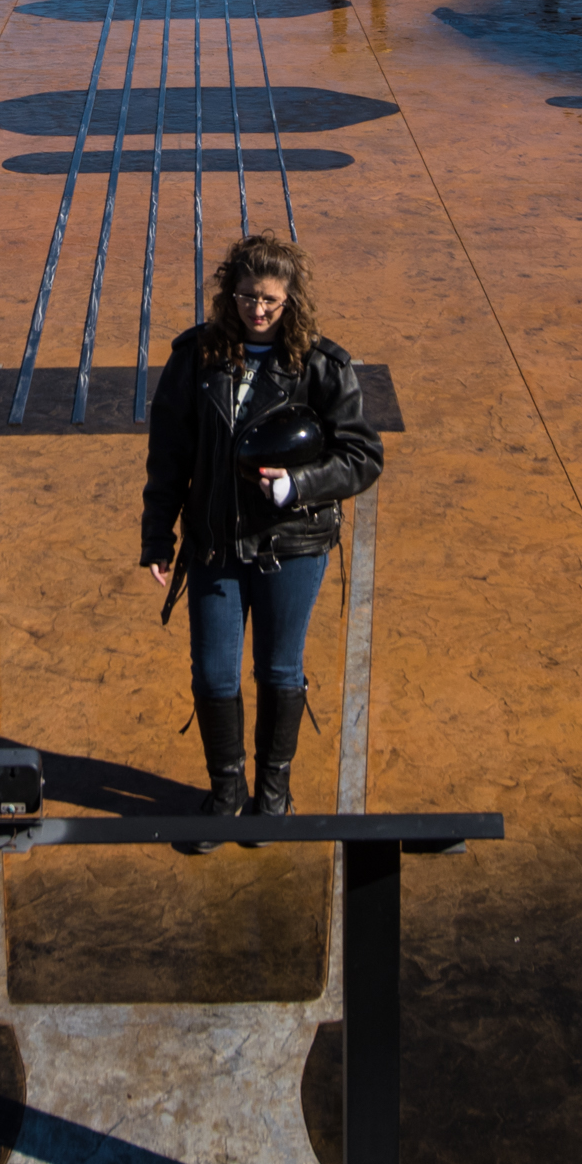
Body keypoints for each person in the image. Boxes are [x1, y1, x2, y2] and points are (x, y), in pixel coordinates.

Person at [141, 233, 384, 842]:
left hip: (292, 547)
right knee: (213, 674)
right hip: (216, 545)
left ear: (291, 300)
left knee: (280, 668)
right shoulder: (196, 359)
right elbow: (168, 454)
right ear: (230, 294)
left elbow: (362, 455)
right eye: (248, 297)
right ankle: (226, 793)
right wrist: (157, 536)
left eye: (271, 301)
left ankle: (272, 795)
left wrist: (298, 485)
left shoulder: (324, 365)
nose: (258, 310)